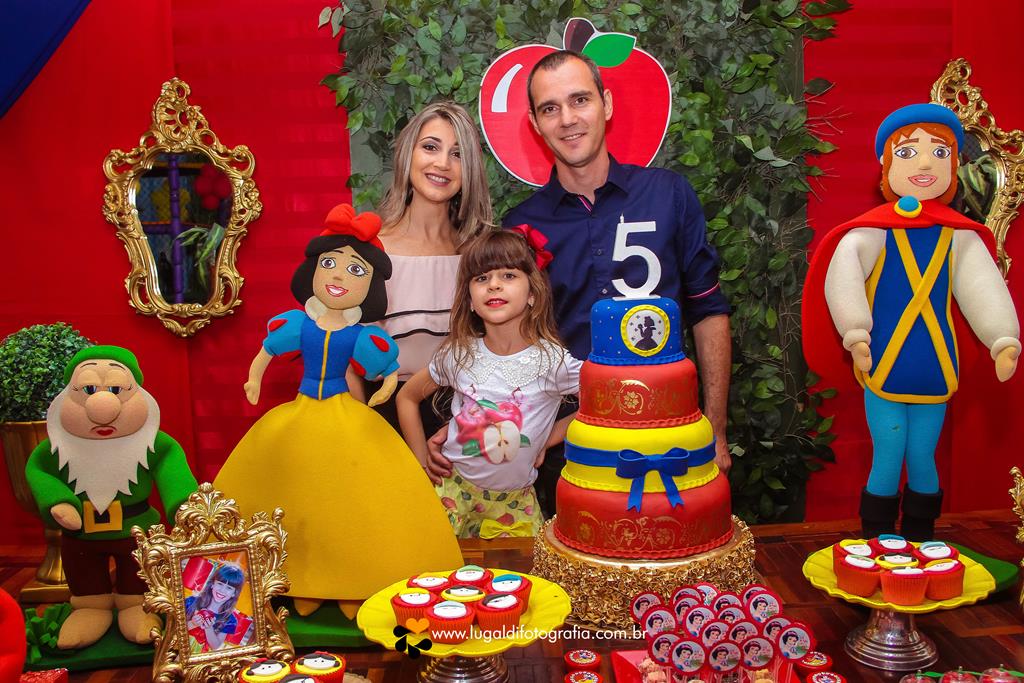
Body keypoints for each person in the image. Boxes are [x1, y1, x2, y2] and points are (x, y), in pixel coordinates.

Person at [431, 50, 732, 516]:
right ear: (535, 123)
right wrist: (468, 421)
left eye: (580, 100)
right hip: (565, 439)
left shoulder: (669, 193)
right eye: (550, 108)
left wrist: (716, 427)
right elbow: (509, 341)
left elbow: (708, 309)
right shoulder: (522, 226)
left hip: (666, 428)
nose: (568, 119)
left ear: (606, 104)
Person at [213, 204, 462, 618]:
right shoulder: (299, 323)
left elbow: (385, 370)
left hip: (346, 413)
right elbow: (267, 352)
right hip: (302, 413)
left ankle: (354, 582)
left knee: (349, 500)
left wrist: (383, 391)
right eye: (330, 263)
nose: (339, 276)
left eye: (355, 270)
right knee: (297, 492)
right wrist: (254, 379)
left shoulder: (360, 334)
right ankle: (295, 581)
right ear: (313, 269)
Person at [803, 103, 1020, 540]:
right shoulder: (870, 233)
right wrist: (854, 329)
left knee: (923, 455)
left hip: (935, 367)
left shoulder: (959, 238)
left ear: (954, 166)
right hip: (883, 360)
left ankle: (923, 538)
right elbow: (841, 274)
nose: (925, 164)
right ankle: (877, 539)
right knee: (889, 451)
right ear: (886, 164)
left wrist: (1002, 337)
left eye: (940, 153)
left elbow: (982, 287)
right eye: (908, 153)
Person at [397, 230, 581, 538]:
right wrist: (421, 466)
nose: (494, 284)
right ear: (469, 300)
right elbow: (407, 397)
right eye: (481, 278)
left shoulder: (554, 361)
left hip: (515, 504)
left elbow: (604, 402)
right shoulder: (458, 353)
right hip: (452, 495)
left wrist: (546, 440)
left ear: (533, 293)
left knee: (517, 583)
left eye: (508, 275)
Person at [25, 345, 197, 649]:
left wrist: (182, 505)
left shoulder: (154, 443)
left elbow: (172, 468)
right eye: (88, 389)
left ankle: (137, 606)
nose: (102, 404)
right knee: (84, 573)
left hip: (136, 530)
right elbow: (39, 470)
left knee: (138, 572)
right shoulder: (57, 447)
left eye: (117, 389)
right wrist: (59, 500)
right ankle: (90, 607)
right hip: (81, 533)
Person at [369, 102, 494, 435]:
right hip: (381, 420)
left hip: (465, 420)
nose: (443, 164)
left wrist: (463, 429)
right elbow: (342, 364)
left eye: (458, 154)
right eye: (430, 147)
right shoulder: (369, 250)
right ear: (408, 155)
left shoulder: (479, 255)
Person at [185, 562, 246, 652]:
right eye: (220, 584)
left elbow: (215, 646)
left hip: (200, 656)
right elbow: (175, 629)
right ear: (212, 584)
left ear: (234, 593)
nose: (222, 590)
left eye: (229, 588)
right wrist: (193, 623)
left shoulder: (229, 620)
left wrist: (208, 628)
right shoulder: (191, 602)